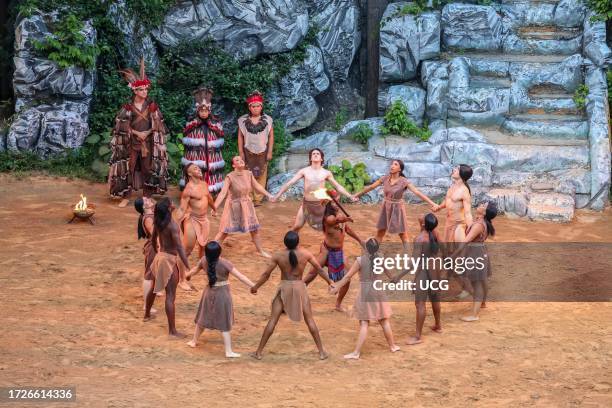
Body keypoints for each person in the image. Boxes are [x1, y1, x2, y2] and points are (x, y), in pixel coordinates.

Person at [250, 231, 333, 360]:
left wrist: (256, 287)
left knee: (273, 320)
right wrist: (330, 282)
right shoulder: (305, 254)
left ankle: (258, 352)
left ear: (285, 243)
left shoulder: (278, 255)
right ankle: (322, 352)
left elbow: (266, 275)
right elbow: (319, 269)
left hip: (284, 288)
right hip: (300, 288)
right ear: (298, 242)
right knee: (310, 320)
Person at [108, 57, 169, 208]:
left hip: (147, 143)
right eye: (141, 89)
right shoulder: (127, 107)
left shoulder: (152, 106)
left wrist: (147, 133)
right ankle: (126, 196)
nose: (144, 92)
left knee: (148, 168)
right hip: (131, 143)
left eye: (146, 89)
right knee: (129, 166)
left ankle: (147, 196)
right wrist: (136, 133)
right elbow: (122, 126)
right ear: (135, 90)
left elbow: (157, 125)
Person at [331, 238, 400, 359]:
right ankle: (393, 346)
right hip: (378, 290)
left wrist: (337, 287)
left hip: (366, 292)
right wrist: (394, 278)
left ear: (366, 248)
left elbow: (347, 277)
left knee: (364, 322)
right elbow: (390, 276)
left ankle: (356, 353)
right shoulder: (380, 258)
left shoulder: (360, 260)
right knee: (384, 320)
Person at [185, 241, 255, 358]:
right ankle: (228, 351)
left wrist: (188, 275)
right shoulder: (225, 263)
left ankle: (193, 341)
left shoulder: (203, 260)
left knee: (203, 317)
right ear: (219, 253)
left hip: (208, 292)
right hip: (222, 294)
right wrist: (254, 286)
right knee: (224, 323)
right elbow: (241, 277)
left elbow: (193, 271)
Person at [354, 159, 437, 250]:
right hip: (386, 207)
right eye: (392, 164)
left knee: (403, 235)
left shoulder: (403, 181)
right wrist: (357, 195)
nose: (392, 166)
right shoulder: (385, 178)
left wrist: (432, 203)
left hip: (397, 209)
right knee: (380, 232)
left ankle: (410, 257)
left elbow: (417, 192)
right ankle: (372, 254)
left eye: (395, 164)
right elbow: (371, 187)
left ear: (400, 169)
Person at [273, 148, 357, 231]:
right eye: (313, 154)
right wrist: (277, 195)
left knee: (333, 227)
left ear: (321, 158)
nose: (315, 155)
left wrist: (350, 196)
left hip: (321, 206)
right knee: (297, 226)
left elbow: (338, 186)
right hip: (307, 204)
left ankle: (358, 241)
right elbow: (289, 183)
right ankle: (291, 243)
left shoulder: (326, 173)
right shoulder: (304, 171)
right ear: (310, 158)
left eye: (318, 154)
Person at [304, 199, 364, 312]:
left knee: (347, 279)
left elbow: (347, 228)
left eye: (337, 201)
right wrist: (346, 219)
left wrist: (360, 240)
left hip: (338, 253)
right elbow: (336, 220)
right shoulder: (328, 218)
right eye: (333, 203)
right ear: (328, 205)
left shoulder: (338, 216)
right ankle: (292, 297)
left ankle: (338, 305)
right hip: (326, 251)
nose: (337, 204)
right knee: (311, 274)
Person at [144, 198, 190, 339]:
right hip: (168, 260)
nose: (173, 204)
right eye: (171, 203)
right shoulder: (172, 226)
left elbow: (153, 240)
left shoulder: (158, 222)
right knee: (170, 296)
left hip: (160, 257)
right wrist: (187, 265)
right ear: (169, 208)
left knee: (153, 287)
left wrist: (158, 252)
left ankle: (146, 315)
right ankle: (172, 331)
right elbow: (180, 247)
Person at [394, 214, 443, 345]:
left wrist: (398, 276)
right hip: (435, 268)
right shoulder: (436, 233)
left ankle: (417, 336)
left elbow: (413, 263)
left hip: (424, 271)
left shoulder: (420, 239)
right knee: (435, 298)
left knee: (420, 304)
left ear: (422, 224)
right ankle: (438, 325)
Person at [214, 156, 275, 257]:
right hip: (233, 206)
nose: (240, 160)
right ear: (233, 165)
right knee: (224, 231)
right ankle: (210, 253)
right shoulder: (230, 176)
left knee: (254, 229)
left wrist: (269, 195)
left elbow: (257, 186)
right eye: (237, 160)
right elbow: (223, 193)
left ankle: (261, 251)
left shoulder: (248, 173)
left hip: (247, 204)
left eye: (241, 159)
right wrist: (214, 207)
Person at [174, 163, 217, 291]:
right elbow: (182, 208)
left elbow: (208, 197)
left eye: (198, 168)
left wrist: (214, 208)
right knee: (185, 251)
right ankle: (181, 280)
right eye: (195, 169)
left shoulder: (203, 184)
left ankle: (201, 267)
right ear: (189, 173)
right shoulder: (188, 189)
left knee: (203, 246)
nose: (198, 169)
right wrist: (175, 223)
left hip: (204, 220)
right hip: (192, 220)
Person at [452, 201, 497, 322]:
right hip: (479, 253)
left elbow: (465, 241)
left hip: (475, 255)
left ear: (485, 212)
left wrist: (453, 255)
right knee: (482, 280)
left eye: (484, 205)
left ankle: (475, 314)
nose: (481, 204)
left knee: (477, 285)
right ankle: (482, 303)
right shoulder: (481, 223)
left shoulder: (478, 225)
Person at [434, 164, 474, 299]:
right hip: (448, 224)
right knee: (447, 256)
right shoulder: (452, 187)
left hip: (459, 226)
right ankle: (447, 279)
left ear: (462, 174)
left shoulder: (464, 191)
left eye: (456, 169)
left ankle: (468, 289)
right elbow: (448, 202)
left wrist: (470, 228)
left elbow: (468, 212)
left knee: (459, 259)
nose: (453, 170)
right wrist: (439, 207)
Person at [181, 87, 225, 193]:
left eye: (206, 111)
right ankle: (194, 191)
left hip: (211, 156)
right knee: (197, 170)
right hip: (196, 155)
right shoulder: (192, 123)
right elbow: (187, 139)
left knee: (210, 172)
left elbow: (220, 136)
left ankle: (211, 191)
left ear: (209, 111)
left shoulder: (215, 123)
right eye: (201, 111)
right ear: (198, 111)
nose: (204, 113)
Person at [237, 91, 274, 206]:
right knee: (248, 174)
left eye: (258, 106)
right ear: (249, 107)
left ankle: (258, 198)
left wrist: (270, 151)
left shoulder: (268, 120)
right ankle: (250, 196)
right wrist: (241, 152)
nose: (256, 108)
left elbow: (271, 136)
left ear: (261, 107)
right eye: (253, 106)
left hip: (263, 151)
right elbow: (240, 137)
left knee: (261, 174)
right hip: (248, 151)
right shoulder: (242, 121)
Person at [134, 197, 157, 312]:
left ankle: (155, 293)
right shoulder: (148, 218)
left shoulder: (150, 215)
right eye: (146, 200)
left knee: (154, 273)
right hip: (153, 248)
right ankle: (146, 304)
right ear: (144, 207)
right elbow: (155, 234)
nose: (148, 199)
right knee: (149, 275)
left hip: (155, 247)